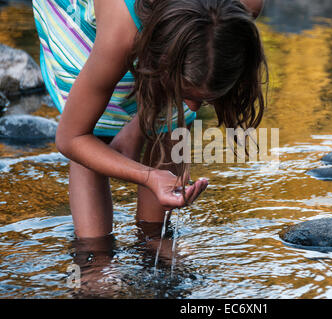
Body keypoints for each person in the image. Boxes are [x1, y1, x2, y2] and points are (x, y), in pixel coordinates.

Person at [32, 0, 268, 239]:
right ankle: (95, 259)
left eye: (206, 100)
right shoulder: (119, 33)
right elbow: (72, 138)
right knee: (96, 124)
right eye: (188, 96)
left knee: (173, 119)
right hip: (85, 11)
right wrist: (148, 176)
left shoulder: (244, 9)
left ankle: (154, 238)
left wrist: (138, 127)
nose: (193, 107)